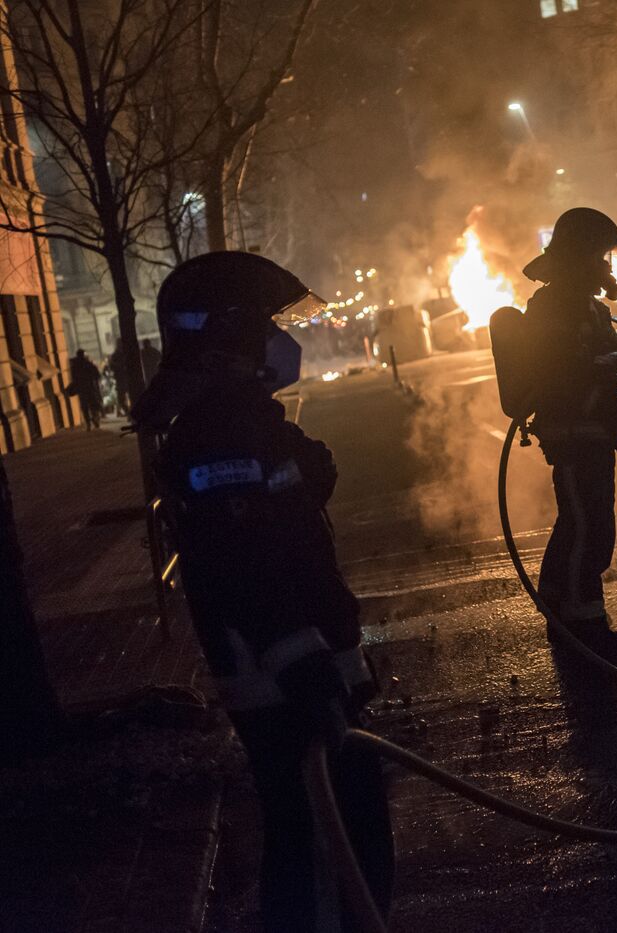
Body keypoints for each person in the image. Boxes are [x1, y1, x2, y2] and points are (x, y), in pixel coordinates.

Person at [132, 252, 393, 932]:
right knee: (316, 844)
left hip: (304, 667)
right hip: (284, 681)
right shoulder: (217, 434)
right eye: (272, 325)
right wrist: (304, 666)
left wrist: (304, 476)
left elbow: (275, 525)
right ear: (232, 334)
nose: (287, 340)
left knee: (347, 827)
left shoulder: (241, 419)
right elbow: (244, 567)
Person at [520, 207, 617, 664]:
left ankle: (563, 616)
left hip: (592, 431)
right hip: (573, 435)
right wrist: (605, 373)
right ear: (579, 259)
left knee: (580, 525)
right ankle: (587, 631)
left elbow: (616, 355)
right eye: (600, 258)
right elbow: (566, 377)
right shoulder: (551, 311)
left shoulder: (590, 309)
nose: (607, 268)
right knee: (587, 530)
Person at [68, 349, 104, 429]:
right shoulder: (88, 364)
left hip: (82, 389)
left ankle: (88, 423)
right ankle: (95, 419)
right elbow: (97, 375)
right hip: (90, 388)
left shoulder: (75, 366)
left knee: (85, 407)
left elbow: (74, 378)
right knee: (93, 404)